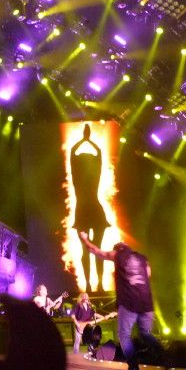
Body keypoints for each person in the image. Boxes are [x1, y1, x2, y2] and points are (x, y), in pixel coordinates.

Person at [79, 232, 161, 370]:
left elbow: (95, 251)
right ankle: (163, 354)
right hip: (146, 302)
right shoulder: (142, 258)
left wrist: (84, 239)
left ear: (117, 249)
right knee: (145, 333)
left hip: (129, 301)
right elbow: (148, 274)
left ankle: (134, 369)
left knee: (124, 335)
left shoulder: (118, 254)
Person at [70, 124, 110, 293]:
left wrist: (84, 140)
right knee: (94, 250)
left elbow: (73, 152)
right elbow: (98, 153)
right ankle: (94, 284)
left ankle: (95, 284)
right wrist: (88, 140)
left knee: (89, 251)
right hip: (91, 211)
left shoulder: (77, 173)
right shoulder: (93, 171)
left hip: (84, 211)